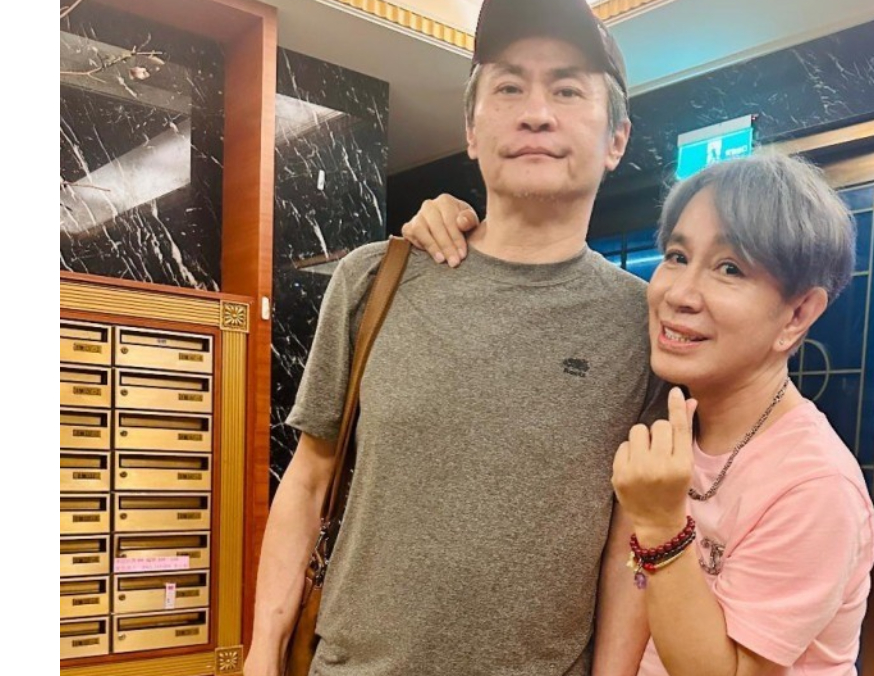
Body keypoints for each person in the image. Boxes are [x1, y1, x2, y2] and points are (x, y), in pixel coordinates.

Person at [244, 1, 663, 675]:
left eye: (567, 90)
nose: (536, 113)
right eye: (509, 87)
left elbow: (628, 540)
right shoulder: (374, 279)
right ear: (471, 130)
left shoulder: (642, 324)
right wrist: (262, 654)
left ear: (616, 139)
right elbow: (310, 476)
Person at [406, 152, 874, 676]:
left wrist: (661, 524)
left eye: (729, 269)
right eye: (677, 256)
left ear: (798, 314)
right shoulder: (670, 419)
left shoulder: (815, 486)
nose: (679, 294)